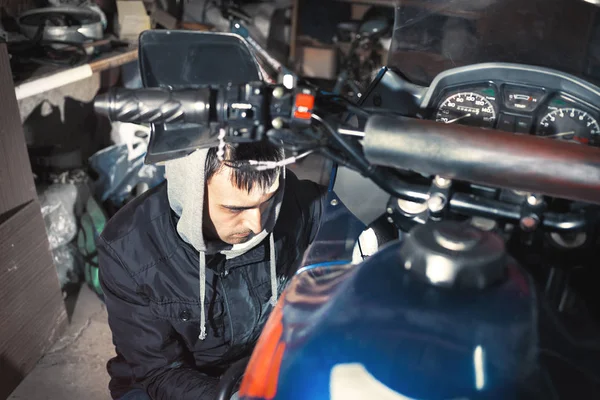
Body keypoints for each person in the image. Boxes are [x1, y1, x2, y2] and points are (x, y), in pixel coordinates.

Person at [98, 142, 326, 399]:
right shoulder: (128, 248)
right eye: (234, 208)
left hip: (261, 364)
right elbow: (159, 371)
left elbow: (347, 215)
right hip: (167, 384)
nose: (257, 223)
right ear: (191, 190)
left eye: (267, 201)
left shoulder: (291, 202)